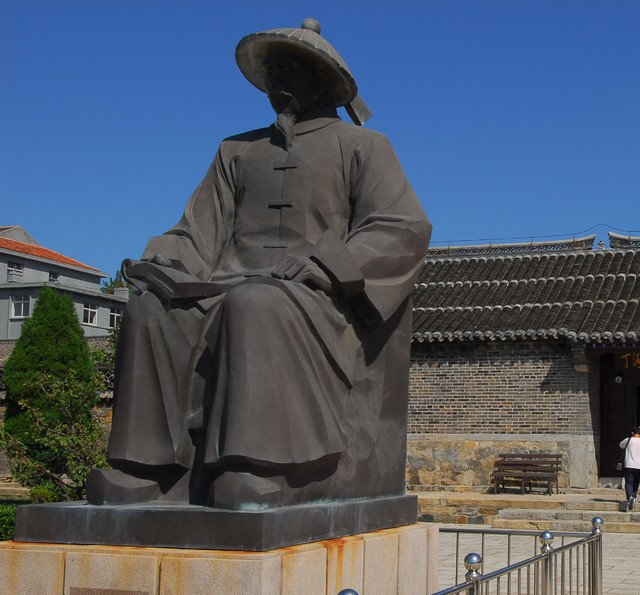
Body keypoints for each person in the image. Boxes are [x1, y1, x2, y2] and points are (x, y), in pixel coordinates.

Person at [86, 19, 431, 510]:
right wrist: (165, 259)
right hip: (223, 287)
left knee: (254, 304)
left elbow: (401, 225)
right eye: (271, 71)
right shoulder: (236, 150)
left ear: (322, 78)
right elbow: (198, 230)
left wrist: (330, 265)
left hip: (315, 300)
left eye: (289, 68)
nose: (276, 80)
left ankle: (263, 467)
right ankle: (150, 469)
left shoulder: (363, 146)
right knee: (150, 309)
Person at [619, 428, 640, 511]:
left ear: (632, 433)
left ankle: (630, 497)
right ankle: (634, 497)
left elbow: (621, 445)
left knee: (629, 482)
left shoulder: (628, 440)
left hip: (629, 464)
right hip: (638, 465)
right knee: (636, 482)